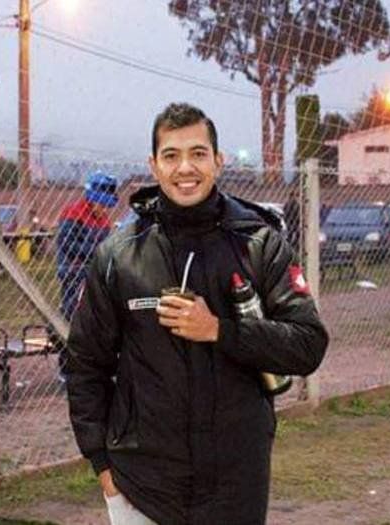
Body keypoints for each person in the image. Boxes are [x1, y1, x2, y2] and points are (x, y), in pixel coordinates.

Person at [66, 103, 328, 525]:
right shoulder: (118, 255)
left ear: (218, 161)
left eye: (198, 154)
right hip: (141, 486)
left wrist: (219, 330)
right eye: (171, 155)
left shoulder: (259, 243)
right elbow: (84, 363)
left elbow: (308, 345)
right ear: (153, 165)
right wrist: (102, 465)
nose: (185, 168)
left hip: (235, 485)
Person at [55, 172, 118, 377]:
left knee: (95, 319)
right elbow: (67, 244)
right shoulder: (73, 213)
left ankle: (89, 365)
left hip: (94, 273)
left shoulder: (103, 221)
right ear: (91, 199)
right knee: (72, 317)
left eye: (107, 205)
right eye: (101, 204)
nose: (104, 209)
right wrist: (97, 251)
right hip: (73, 271)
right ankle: (66, 367)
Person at [284, 187, 301, 252]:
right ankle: (293, 245)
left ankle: (294, 245)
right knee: (292, 234)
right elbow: (286, 214)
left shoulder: (294, 204)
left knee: (294, 234)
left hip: (292, 222)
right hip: (292, 222)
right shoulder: (291, 204)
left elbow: (285, 214)